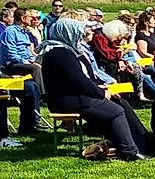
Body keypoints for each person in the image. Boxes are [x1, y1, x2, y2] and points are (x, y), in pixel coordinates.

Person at [36, 18, 149, 160]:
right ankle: (130, 152)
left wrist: (100, 88)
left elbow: (82, 79)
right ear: (68, 33)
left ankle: (137, 143)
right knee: (116, 111)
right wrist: (101, 93)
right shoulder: (60, 54)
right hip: (67, 100)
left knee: (119, 104)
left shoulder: (63, 51)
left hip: (74, 96)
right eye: (77, 33)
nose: (80, 36)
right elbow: (79, 81)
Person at [1, 7, 46, 118]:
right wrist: (27, 62)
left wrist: (32, 60)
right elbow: (11, 53)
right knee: (35, 68)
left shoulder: (25, 32)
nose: (32, 19)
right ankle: (43, 97)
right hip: (11, 64)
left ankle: (33, 120)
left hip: (24, 62)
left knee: (45, 64)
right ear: (22, 18)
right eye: (30, 16)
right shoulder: (10, 32)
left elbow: (26, 52)